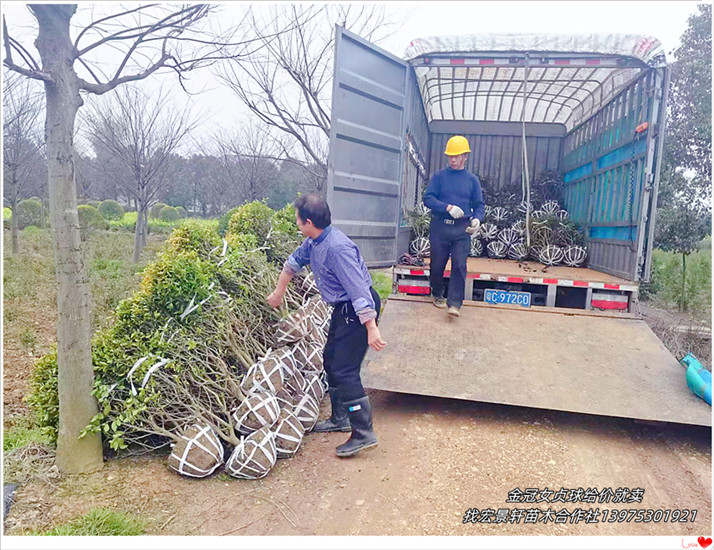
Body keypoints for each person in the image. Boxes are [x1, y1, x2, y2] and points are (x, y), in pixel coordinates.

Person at [267, 193, 387, 458]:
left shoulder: (336, 248)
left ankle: (362, 432)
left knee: (345, 370)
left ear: (309, 222)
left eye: (298, 222)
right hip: (343, 309)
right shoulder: (314, 241)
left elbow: (358, 291)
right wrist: (278, 293)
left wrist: (371, 327)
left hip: (357, 309)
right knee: (331, 360)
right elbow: (291, 264)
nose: (297, 225)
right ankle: (340, 417)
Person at [423, 135, 485, 317]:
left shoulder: (472, 180)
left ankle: (455, 304)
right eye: (451, 156)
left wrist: (477, 219)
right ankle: (437, 294)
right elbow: (428, 199)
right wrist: (447, 207)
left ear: (465, 156)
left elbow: (479, 204)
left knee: (459, 265)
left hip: (461, 229)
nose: (453, 159)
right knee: (437, 264)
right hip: (440, 227)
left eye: (457, 156)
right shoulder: (439, 177)